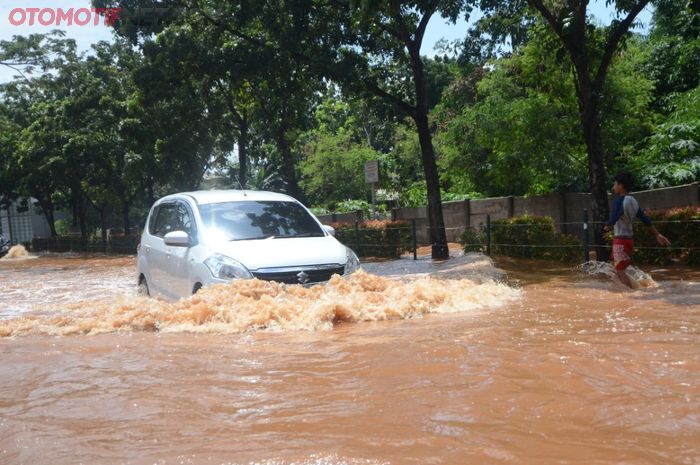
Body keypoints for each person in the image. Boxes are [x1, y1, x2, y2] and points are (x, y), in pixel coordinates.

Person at [604, 172, 671, 288]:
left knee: (620, 271)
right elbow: (645, 219)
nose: (613, 187)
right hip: (629, 240)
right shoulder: (633, 201)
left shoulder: (619, 201)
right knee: (617, 268)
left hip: (620, 240)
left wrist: (607, 226)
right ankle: (629, 288)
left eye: (615, 184)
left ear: (621, 186)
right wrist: (657, 234)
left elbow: (614, 218)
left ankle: (631, 294)